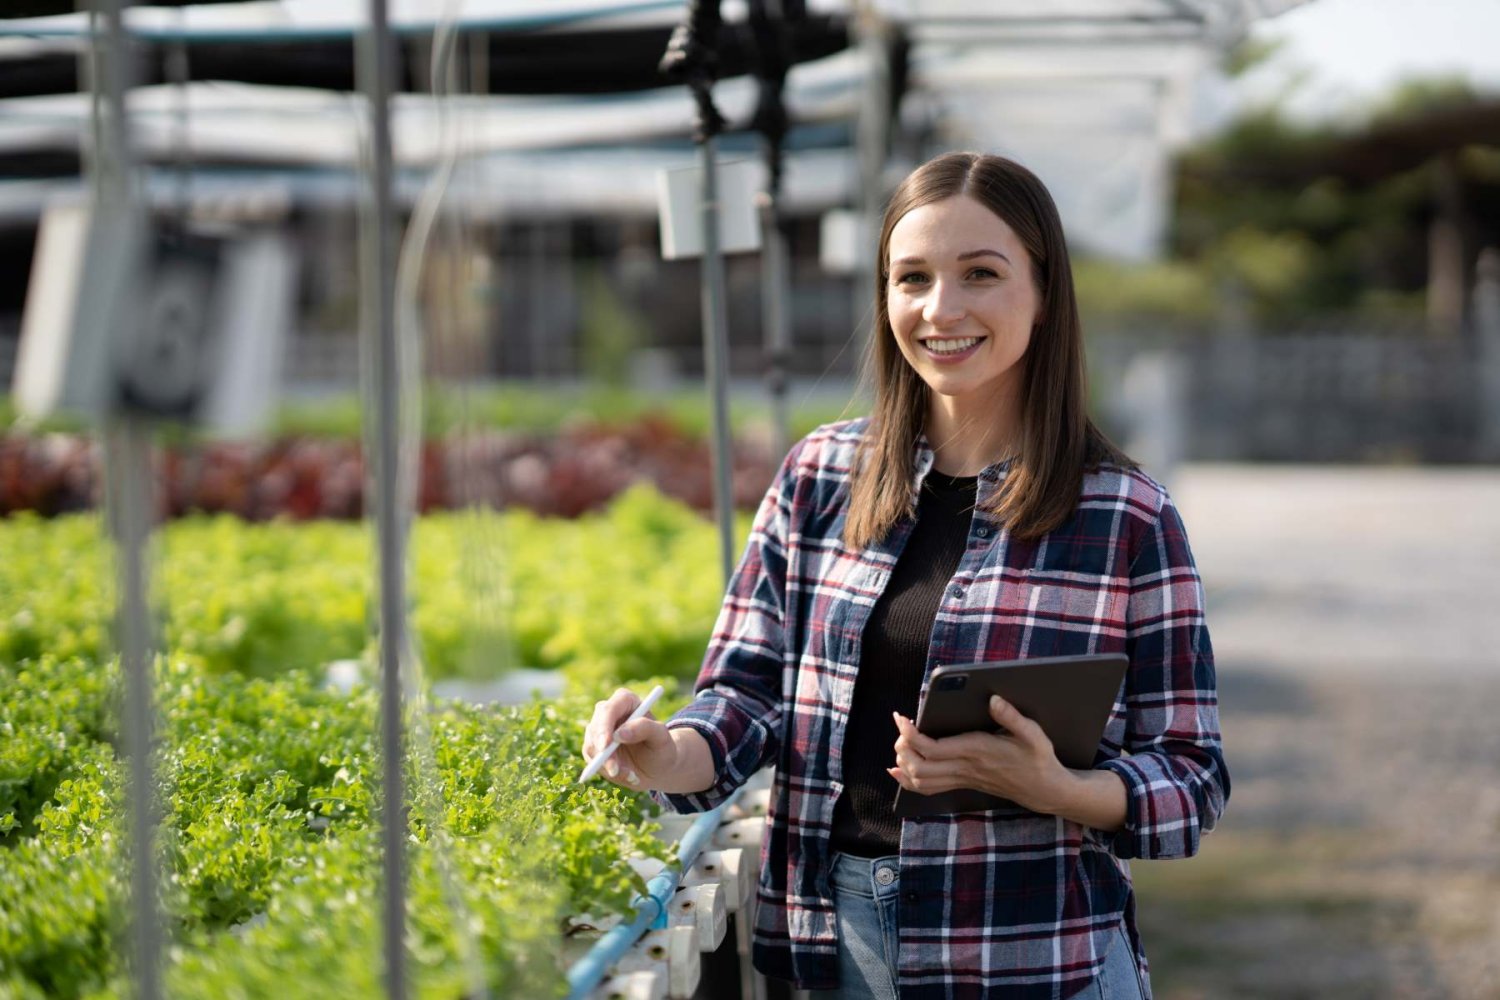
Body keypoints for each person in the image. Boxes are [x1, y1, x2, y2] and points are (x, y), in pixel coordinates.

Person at [581, 151, 1228, 1000]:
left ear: (1043, 293)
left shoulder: (1124, 516)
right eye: (912, 277)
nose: (940, 308)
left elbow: (1191, 777)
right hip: (837, 948)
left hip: (1036, 957)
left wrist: (1062, 788)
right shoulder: (820, 475)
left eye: (981, 274)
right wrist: (665, 754)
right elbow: (743, 696)